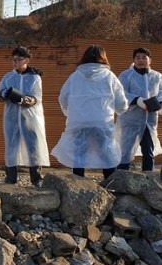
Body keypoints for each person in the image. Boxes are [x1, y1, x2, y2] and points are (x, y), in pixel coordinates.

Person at [52, 45, 128, 179]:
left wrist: (69, 112)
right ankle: (111, 185)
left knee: (78, 156)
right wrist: (121, 110)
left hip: (79, 122)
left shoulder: (75, 76)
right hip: (102, 122)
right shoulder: (110, 77)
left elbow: (63, 98)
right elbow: (121, 103)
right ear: (103, 58)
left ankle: (78, 186)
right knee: (107, 155)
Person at [0, 46, 49, 187]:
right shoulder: (8, 77)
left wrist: (24, 100)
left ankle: (36, 179)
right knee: (11, 146)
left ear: (27, 60)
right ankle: (11, 178)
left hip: (31, 118)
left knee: (33, 146)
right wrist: (3, 94)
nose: (15, 62)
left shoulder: (35, 78)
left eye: (19, 59)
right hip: (11, 118)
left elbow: (37, 98)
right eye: (14, 59)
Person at [116, 47, 162, 172]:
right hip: (131, 120)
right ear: (134, 60)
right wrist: (137, 100)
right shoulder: (126, 76)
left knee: (148, 151)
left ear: (149, 60)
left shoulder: (157, 76)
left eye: (144, 57)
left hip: (149, 121)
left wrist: (161, 104)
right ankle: (121, 180)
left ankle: (149, 180)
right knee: (126, 152)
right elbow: (120, 93)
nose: (141, 60)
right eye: (137, 58)